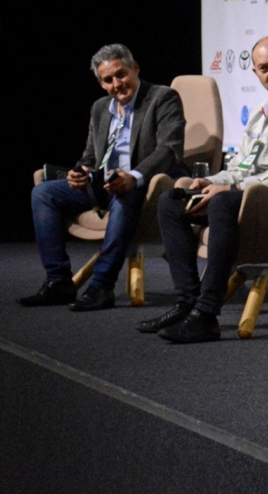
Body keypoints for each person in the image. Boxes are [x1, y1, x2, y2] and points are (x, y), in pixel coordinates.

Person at [141, 36, 268, 344]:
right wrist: (213, 181)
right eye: (264, 68)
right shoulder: (262, 111)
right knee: (172, 201)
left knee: (223, 203)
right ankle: (187, 304)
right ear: (256, 72)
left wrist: (231, 187)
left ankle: (207, 313)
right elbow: (243, 166)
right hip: (254, 197)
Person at [22, 45, 187, 312]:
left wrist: (133, 177)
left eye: (120, 75)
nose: (116, 84)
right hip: (104, 183)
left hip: (146, 187)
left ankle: (101, 285)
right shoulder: (100, 108)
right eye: (108, 80)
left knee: (124, 191)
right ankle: (59, 281)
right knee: (43, 192)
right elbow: (90, 156)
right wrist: (80, 172)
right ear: (100, 83)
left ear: (135, 69)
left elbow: (169, 149)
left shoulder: (162, 97)